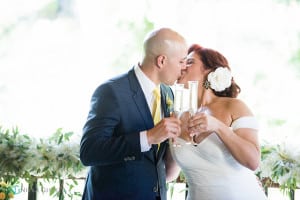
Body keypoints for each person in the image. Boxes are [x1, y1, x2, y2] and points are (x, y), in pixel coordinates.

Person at [79, 27, 188, 200]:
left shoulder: (168, 93)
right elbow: (89, 152)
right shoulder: (111, 91)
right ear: (161, 61)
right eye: (182, 61)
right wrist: (149, 137)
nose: (184, 68)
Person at [169, 44, 267, 200]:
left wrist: (218, 127)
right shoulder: (176, 116)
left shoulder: (234, 106)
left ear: (209, 70)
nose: (182, 67)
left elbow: (253, 162)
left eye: (189, 62)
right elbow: (169, 175)